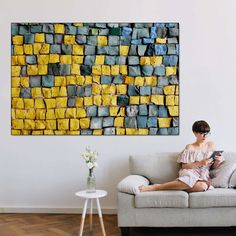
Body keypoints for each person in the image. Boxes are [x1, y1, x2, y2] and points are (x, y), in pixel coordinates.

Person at [139, 120, 224, 193]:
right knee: (189, 180)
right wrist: (200, 163)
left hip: (203, 175)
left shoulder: (211, 145)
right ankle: (156, 187)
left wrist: (218, 161)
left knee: (202, 187)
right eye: (202, 133)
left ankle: (178, 186)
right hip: (190, 172)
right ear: (195, 133)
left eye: (207, 133)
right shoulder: (190, 147)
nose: (205, 136)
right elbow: (184, 166)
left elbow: (213, 166)